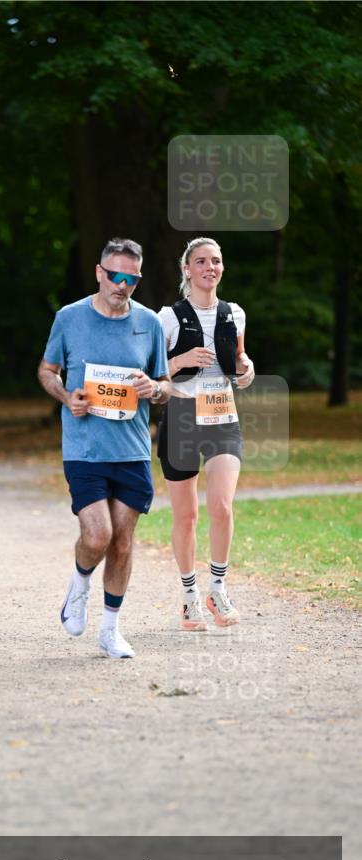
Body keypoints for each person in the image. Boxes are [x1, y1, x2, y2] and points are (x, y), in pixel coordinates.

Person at [38, 238, 170, 659]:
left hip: (131, 451)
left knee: (123, 542)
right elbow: (47, 370)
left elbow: (165, 385)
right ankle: (78, 587)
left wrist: (155, 388)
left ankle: (110, 630)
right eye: (114, 275)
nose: (121, 284)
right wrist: (65, 397)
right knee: (97, 536)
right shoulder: (70, 318)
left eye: (130, 278)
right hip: (85, 448)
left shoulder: (148, 323)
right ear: (98, 272)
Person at [156, 237, 255, 630]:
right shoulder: (167, 317)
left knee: (222, 507)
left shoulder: (236, 313)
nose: (209, 267)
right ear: (187, 269)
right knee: (186, 516)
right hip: (181, 416)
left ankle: (217, 587)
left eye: (215, 261)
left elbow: (240, 357)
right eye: (201, 261)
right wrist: (180, 359)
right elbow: (151, 372)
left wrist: (246, 369)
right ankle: (188, 596)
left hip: (223, 417)